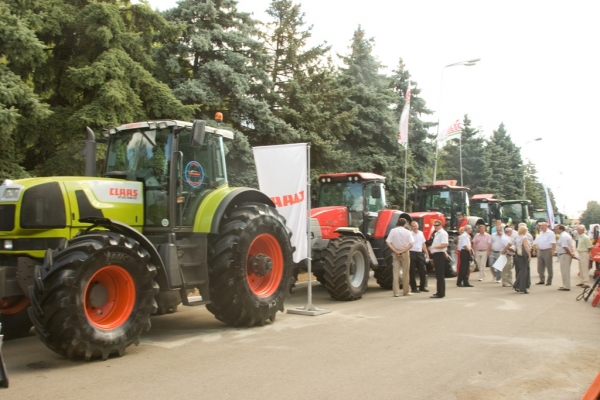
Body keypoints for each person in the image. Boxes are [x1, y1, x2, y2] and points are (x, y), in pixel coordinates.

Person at [386, 218, 414, 297]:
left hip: (395, 252)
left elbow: (388, 242)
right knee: (405, 272)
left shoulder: (393, 231)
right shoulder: (408, 232)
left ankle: (396, 292)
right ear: (405, 224)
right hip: (404, 252)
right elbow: (411, 244)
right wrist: (402, 251)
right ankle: (406, 291)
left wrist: (395, 251)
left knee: (395, 273)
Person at [428, 220, 449, 299]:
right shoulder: (437, 233)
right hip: (437, 254)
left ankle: (440, 293)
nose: (435, 227)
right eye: (434, 225)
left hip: (439, 254)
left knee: (440, 274)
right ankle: (439, 291)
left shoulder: (443, 233)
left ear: (441, 225)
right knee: (438, 274)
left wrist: (433, 247)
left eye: (437, 225)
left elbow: (444, 244)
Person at [409, 221, 430, 293]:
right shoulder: (409, 234)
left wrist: (427, 253)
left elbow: (423, 244)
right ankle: (414, 288)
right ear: (411, 227)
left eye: (415, 226)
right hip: (411, 252)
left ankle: (422, 287)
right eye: (413, 226)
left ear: (418, 226)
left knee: (423, 270)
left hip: (420, 253)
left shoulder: (421, 233)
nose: (414, 227)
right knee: (412, 271)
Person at [555, 224, 575, 291]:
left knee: (565, 271)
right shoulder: (564, 235)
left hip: (565, 254)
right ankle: (565, 285)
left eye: (557, 229)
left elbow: (565, 247)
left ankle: (566, 286)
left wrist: (570, 254)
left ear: (561, 229)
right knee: (564, 271)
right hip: (564, 254)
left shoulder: (563, 236)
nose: (556, 230)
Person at [513, 225, 532, 294]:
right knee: (524, 272)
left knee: (521, 271)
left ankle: (517, 285)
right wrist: (529, 255)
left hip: (517, 254)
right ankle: (522, 288)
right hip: (523, 255)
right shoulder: (524, 237)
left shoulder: (517, 237)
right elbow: (526, 246)